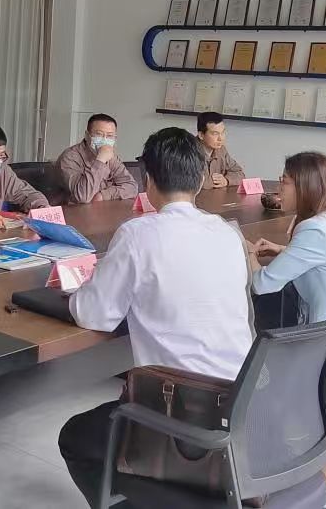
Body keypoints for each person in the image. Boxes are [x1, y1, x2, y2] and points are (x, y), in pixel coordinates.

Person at [59, 127, 254, 506]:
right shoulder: (227, 233)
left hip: (179, 409)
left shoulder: (138, 234)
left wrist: (77, 293)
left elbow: (94, 315)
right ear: (200, 179)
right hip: (240, 402)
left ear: (146, 179)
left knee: (76, 437)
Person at [249, 152, 326, 389]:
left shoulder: (314, 230)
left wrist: (248, 253)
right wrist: (285, 252)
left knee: (252, 365)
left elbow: (261, 284)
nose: (279, 188)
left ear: (306, 187)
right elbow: (323, 259)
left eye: (285, 181)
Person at [55, 113, 138, 203]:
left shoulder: (111, 157)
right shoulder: (70, 157)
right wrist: (100, 160)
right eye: (99, 134)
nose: (104, 140)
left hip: (102, 209)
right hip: (72, 210)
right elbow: (83, 197)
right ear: (87, 135)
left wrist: (103, 195)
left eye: (110, 136)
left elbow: (132, 187)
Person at [197, 111, 244, 188]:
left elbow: (240, 173)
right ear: (201, 135)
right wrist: (213, 182)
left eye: (222, 132)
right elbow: (190, 182)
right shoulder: (188, 151)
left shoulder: (221, 150)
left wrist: (226, 180)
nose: (220, 138)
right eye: (215, 134)